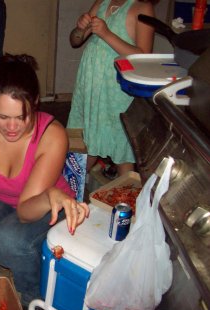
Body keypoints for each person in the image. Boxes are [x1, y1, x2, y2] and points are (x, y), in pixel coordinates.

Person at [0, 54, 90, 310]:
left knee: (8, 242)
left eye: (22, 116)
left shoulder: (52, 135)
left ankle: (32, 292)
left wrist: (49, 196)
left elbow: (25, 211)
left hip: (42, 205)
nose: (12, 127)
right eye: (2, 116)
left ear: (35, 104)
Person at [67, 0, 157, 177]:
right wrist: (80, 28)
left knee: (120, 143)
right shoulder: (101, 2)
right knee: (85, 136)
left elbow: (144, 56)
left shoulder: (142, 8)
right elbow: (75, 41)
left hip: (116, 90)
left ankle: (124, 198)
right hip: (90, 86)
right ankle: (72, 188)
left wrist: (106, 34)